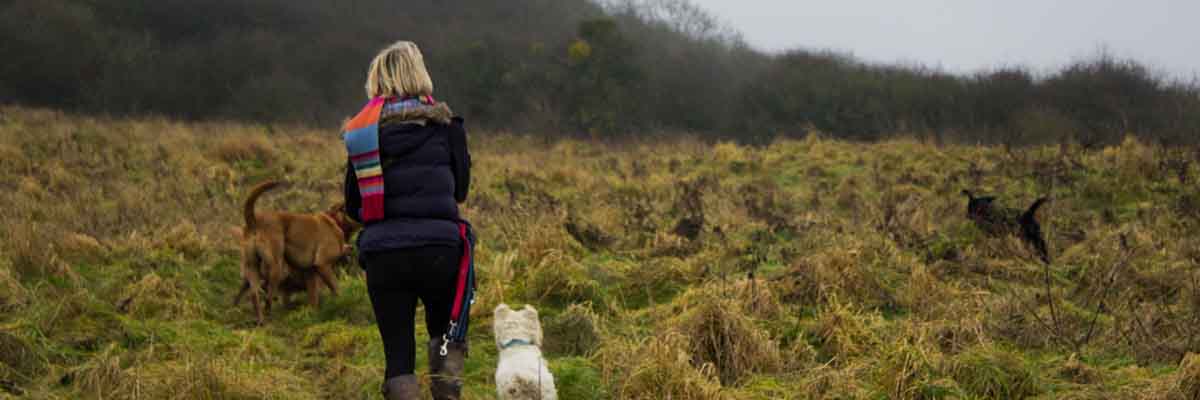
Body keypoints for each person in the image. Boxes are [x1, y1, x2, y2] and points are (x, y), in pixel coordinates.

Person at [342, 41, 472, 400]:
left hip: (385, 255)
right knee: (444, 343)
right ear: (421, 75)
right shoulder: (448, 127)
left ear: (377, 83)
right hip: (440, 251)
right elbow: (460, 191)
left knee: (398, 356)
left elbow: (353, 208)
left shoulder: (361, 135)